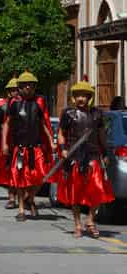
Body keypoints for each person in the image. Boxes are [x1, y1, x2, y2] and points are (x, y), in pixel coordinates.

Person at [57, 78, 114, 238]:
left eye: (84, 95)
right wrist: (62, 150)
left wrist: (105, 154)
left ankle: (90, 220)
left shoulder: (97, 114)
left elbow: (102, 137)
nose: (81, 98)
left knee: (97, 191)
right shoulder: (67, 113)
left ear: (90, 97)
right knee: (75, 194)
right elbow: (61, 134)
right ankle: (77, 224)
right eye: (78, 95)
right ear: (74, 97)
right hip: (74, 158)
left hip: (93, 157)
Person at [1, 70, 55, 222]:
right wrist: (5, 143)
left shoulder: (40, 102)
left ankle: (30, 198)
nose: (28, 89)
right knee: (20, 178)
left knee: (40, 177)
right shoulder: (14, 103)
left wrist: (51, 140)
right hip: (20, 148)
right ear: (20, 87)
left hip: (37, 147)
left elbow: (44, 123)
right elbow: (7, 124)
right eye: (25, 86)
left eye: (31, 86)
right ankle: (21, 209)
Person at [0, 76, 20, 209]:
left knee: (23, 171)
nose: (16, 93)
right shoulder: (2, 107)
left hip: (22, 143)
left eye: (17, 90)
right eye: (13, 90)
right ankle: (11, 198)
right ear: (8, 92)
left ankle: (25, 198)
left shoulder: (24, 105)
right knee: (11, 171)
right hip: (8, 144)